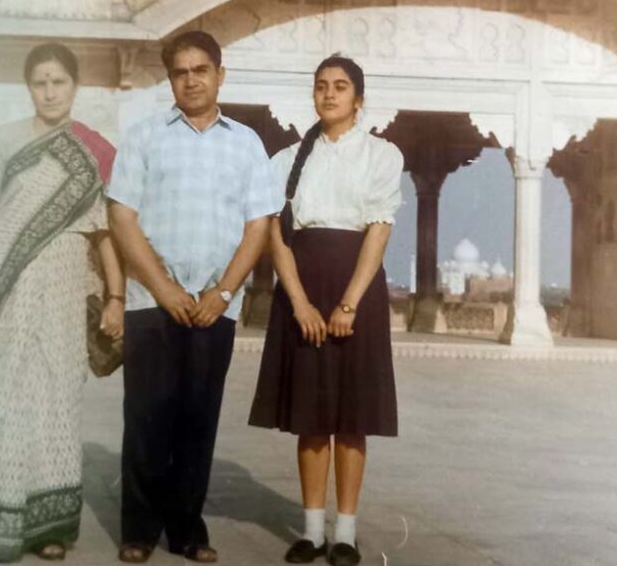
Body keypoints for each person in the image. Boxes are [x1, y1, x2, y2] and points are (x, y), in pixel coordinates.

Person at [0, 42, 125, 562]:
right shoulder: (3, 140)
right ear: (30, 88)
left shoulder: (94, 152)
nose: (50, 92)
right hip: (7, 283)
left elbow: (105, 233)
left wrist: (114, 296)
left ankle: (50, 528)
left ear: (74, 86)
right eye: (40, 82)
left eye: (59, 82)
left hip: (66, 286)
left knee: (55, 396)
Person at [107, 30, 282, 564]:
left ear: (219, 74)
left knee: (197, 418)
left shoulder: (246, 142)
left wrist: (224, 290)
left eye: (200, 70)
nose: (191, 80)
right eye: (180, 72)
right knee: (146, 416)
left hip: (214, 304)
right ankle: (138, 530)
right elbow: (121, 217)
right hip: (150, 301)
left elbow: (258, 225)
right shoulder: (144, 136)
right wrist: (162, 287)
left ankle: (186, 531)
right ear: (170, 79)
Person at [248, 55, 404, 566]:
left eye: (340, 87)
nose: (329, 95)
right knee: (311, 417)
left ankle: (346, 533)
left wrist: (348, 303)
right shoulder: (287, 159)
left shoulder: (382, 155)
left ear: (359, 98)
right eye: (321, 87)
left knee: (351, 417)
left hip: (356, 289)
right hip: (304, 291)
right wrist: (299, 303)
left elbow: (378, 230)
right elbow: (278, 236)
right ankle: (312, 531)